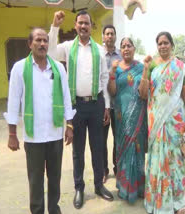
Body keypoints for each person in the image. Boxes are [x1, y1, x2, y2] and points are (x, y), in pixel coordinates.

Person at [48, 10, 113, 209]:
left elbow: (104, 78)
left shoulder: (100, 50)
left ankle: (98, 186)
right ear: (76, 26)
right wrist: (55, 26)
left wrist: (107, 106)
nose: (83, 26)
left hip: (96, 104)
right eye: (80, 23)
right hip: (75, 105)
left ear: (91, 26)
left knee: (97, 148)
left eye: (87, 23)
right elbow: (50, 53)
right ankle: (79, 188)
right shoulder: (68, 47)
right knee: (77, 150)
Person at [5, 28, 74, 214]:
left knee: (55, 177)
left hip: (54, 133)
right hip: (33, 136)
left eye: (45, 40)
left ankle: (54, 209)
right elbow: (13, 102)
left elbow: (67, 97)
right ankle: (37, 211)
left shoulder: (58, 68)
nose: (43, 44)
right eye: (38, 40)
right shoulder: (20, 68)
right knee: (35, 179)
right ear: (30, 44)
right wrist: (12, 133)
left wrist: (70, 125)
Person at [140, 31, 185, 214]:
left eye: (166, 43)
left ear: (172, 45)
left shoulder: (180, 67)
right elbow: (143, 94)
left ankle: (177, 202)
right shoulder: (152, 65)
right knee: (157, 161)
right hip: (156, 122)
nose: (163, 46)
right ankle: (157, 200)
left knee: (175, 161)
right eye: (160, 43)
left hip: (175, 120)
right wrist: (145, 69)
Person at [107, 37, 148, 203]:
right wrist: (111, 72)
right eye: (123, 46)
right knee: (122, 149)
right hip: (121, 115)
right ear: (120, 50)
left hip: (138, 115)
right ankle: (125, 188)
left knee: (137, 150)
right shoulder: (116, 69)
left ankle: (138, 187)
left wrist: (146, 69)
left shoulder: (140, 67)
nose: (126, 49)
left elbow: (144, 92)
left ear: (134, 48)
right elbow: (112, 92)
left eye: (128, 46)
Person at [102, 24, 122, 183]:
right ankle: (103, 170)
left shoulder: (122, 56)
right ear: (103, 37)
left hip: (117, 106)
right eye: (107, 34)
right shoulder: (97, 54)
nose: (109, 36)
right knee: (100, 140)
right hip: (101, 107)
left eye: (112, 34)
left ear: (115, 37)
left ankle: (117, 168)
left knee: (117, 139)